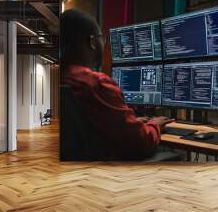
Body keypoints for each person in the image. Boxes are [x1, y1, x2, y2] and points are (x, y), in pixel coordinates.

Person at [60, 9, 174, 160]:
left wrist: (134, 123)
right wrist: (155, 124)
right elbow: (141, 143)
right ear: (92, 42)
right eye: (103, 39)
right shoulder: (95, 83)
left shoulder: (60, 78)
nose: (104, 44)